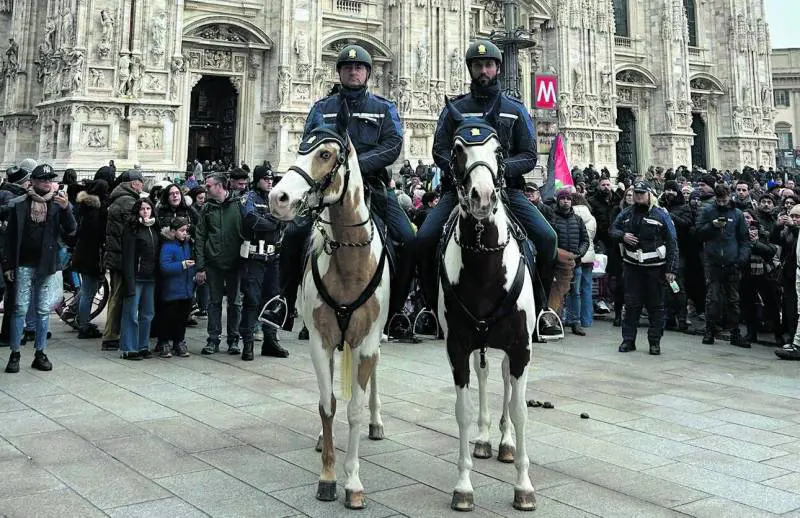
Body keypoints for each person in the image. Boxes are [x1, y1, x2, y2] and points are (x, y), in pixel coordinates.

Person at [261, 44, 417, 342]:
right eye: (348, 68)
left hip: (371, 186)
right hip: (326, 189)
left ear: (368, 73)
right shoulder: (323, 108)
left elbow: (392, 146)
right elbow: (308, 144)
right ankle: (284, 302)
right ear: (340, 73)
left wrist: (355, 166)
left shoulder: (384, 108)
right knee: (295, 234)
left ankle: (396, 312)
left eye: (359, 68)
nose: (353, 72)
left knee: (409, 240)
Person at [419, 40, 560, 337]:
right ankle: (431, 309)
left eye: (489, 65)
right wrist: (463, 174)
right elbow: (440, 150)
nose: (484, 70)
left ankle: (542, 306)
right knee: (424, 239)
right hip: (458, 192)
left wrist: (498, 170)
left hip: (508, 191)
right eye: (478, 66)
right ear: (471, 69)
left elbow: (529, 155)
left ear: (497, 68)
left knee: (547, 238)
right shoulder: (456, 109)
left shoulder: (514, 110)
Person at [3, 164, 75, 373]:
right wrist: (8, 264)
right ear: (32, 182)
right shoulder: (19, 204)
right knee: (19, 309)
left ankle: (40, 352)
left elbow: (71, 230)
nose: (47, 182)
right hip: (23, 263)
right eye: (43, 179)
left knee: (43, 311)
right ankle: (15, 353)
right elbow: (9, 239)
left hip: (46, 265)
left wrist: (66, 209)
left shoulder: (57, 204)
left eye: (49, 179)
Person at [610, 181, 678, 355]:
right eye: (636, 193)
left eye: (642, 193)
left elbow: (672, 242)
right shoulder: (626, 214)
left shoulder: (661, 215)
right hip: (632, 267)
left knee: (656, 307)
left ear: (649, 194)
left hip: (655, 269)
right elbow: (612, 230)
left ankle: (654, 342)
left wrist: (671, 269)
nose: (639, 196)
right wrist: (622, 235)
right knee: (632, 306)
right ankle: (628, 340)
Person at [239, 166, 289, 360]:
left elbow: (286, 218)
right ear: (257, 180)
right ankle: (248, 343)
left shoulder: (275, 199)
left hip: (273, 258)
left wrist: (273, 220)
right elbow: (251, 220)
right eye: (265, 179)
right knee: (252, 300)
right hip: (255, 259)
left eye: (271, 179)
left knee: (273, 300)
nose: (269, 182)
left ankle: (270, 340)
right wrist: (273, 221)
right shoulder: (249, 197)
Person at [696, 184, 751, 347]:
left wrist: (740, 260)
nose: (721, 203)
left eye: (724, 199)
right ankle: (709, 330)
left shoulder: (737, 214)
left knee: (733, 300)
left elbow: (744, 240)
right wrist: (712, 226)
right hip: (713, 262)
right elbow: (698, 233)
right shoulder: (707, 211)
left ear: (729, 196)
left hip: (731, 262)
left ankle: (735, 333)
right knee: (712, 299)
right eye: (719, 200)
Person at [195, 173, 244, 355]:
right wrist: (200, 265)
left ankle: (234, 339)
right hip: (213, 263)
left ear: (220, 186)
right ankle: (213, 339)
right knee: (213, 302)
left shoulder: (239, 205)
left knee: (235, 302)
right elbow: (200, 236)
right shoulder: (207, 208)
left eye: (208, 186)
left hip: (235, 263)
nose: (205, 189)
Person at [102, 170, 145, 351]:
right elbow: (135, 227)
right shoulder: (128, 202)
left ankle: (112, 333)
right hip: (122, 256)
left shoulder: (119, 198)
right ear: (134, 183)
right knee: (119, 295)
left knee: (116, 294)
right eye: (141, 182)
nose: (142, 185)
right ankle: (111, 335)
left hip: (116, 254)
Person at [120, 198, 159, 360]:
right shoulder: (132, 229)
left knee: (148, 313)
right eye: (142, 209)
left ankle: (143, 345)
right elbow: (128, 257)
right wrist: (129, 280)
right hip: (136, 277)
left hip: (151, 277)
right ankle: (129, 348)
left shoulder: (154, 228)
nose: (145, 212)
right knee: (131, 313)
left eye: (148, 208)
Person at [71, 179, 109, 338]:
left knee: (88, 290)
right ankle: (84, 325)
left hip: (82, 253)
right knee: (88, 291)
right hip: (91, 256)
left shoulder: (85, 208)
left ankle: (80, 317)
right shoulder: (96, 213)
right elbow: (98, 236)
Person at [549, 189, 589, 333]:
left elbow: (585, 240)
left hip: (575, 262)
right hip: (558, 264)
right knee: (558, 293)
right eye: (563, 198)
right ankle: (558, 320)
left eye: (568, 198)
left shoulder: (578, 219)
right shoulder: (552, 217)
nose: (566, 201)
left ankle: (575, 321)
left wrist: (579, 253)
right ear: (558, 200)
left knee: (575, 293)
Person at [157, 217, 194, 358]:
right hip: (171, 290)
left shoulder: (187, 244)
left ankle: (179, 341)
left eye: (186, 230)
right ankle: (163, 342)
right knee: (168, 317)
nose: (185, 233)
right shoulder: (168, 246)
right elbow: (165, 267)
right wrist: (183, 265)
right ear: (173, 232)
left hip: (185, 289)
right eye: (182, 230)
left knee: (182, 318)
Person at [566, 192, 596, 335]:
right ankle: (587, 319)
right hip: (588, 256)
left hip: (574, 257)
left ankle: (570, 317)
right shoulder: (591, 217)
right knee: (587, 289)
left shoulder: (571, 216)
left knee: (572, 290)